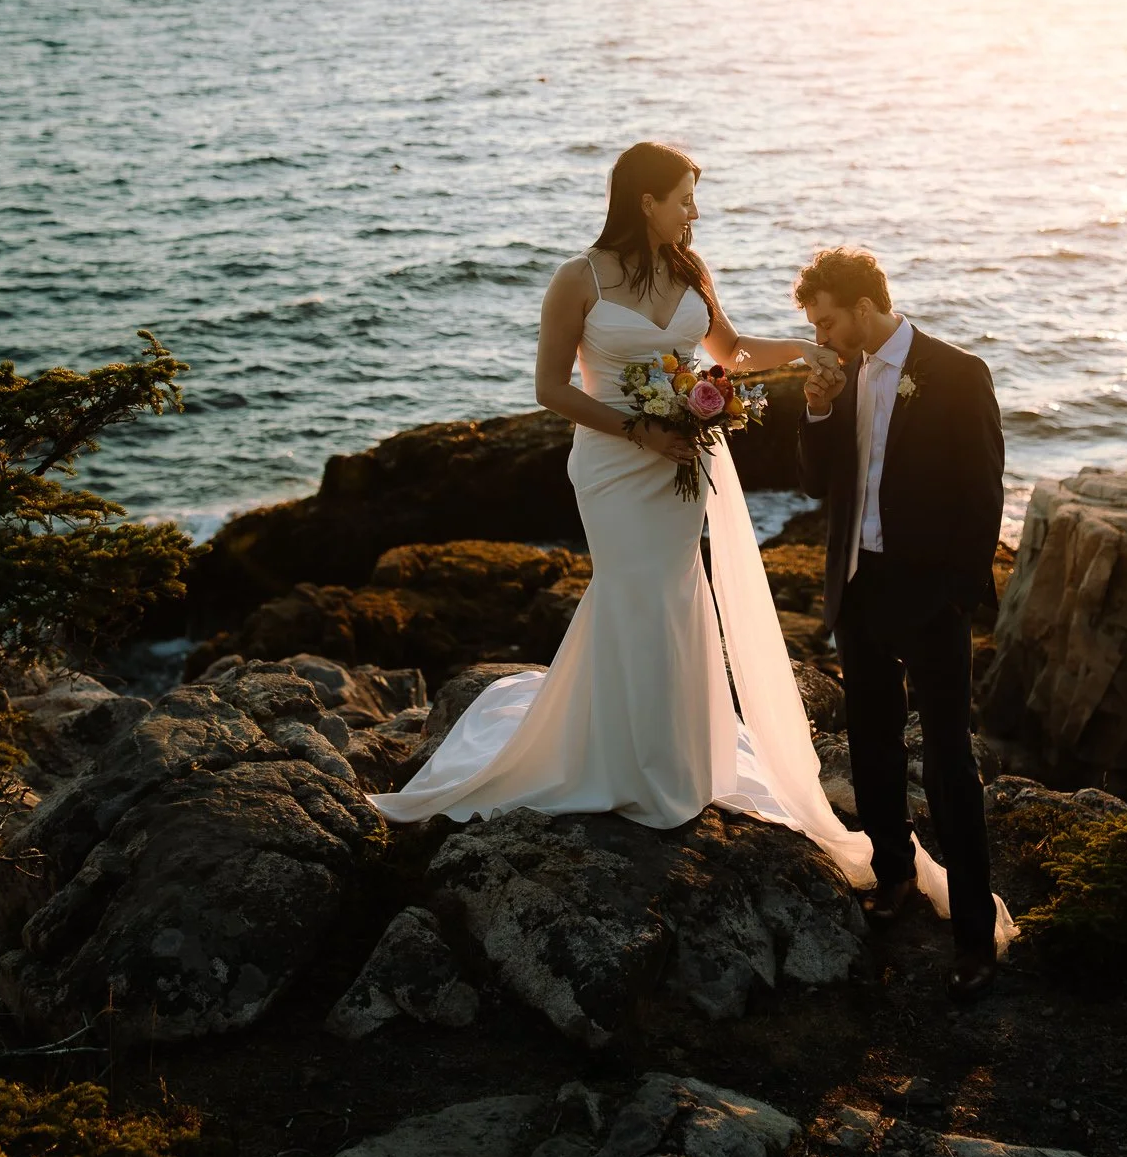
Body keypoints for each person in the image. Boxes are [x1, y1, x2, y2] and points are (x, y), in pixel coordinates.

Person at [369, 142, 874, 885]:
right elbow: (550, 388)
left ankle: (672, 758)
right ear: (645, 200)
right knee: (632, 593)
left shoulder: (687, 270)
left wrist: (801, 349)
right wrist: (640, 429)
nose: (693, 212)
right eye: (683, 198)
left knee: (673, 596)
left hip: (683, 464)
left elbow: (727, 352)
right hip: (614, 464)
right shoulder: (577, 279)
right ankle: (620, 763)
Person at [797, 245, 1011, 999]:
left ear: (862, 305)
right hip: (858, 586)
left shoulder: (958, 373)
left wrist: (956, 596)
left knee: (952, 761)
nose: (820, 338)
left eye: (826, 322)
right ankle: (892, 874)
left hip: (931, 596)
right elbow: (819, 484)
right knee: (872, 738)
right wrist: (818, 409)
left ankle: (975, 939)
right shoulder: (840, 372)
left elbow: (984, 494)